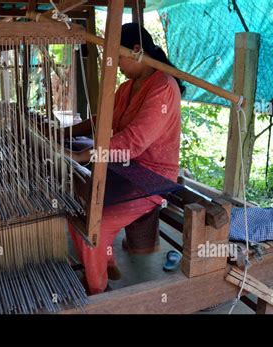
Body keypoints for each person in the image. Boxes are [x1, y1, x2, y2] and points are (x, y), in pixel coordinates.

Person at [65, 23, 184, 295]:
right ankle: (104, 260)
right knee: (76, 206)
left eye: (117, 56)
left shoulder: (163, 87)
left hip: (153, 176)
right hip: (124, 166)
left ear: (137, 50)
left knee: (94, 223)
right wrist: (63, 133)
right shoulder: (126, 88)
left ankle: (98, 291)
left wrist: (81, 154)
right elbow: (103, 121)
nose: (114, 63)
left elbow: (133, 141)